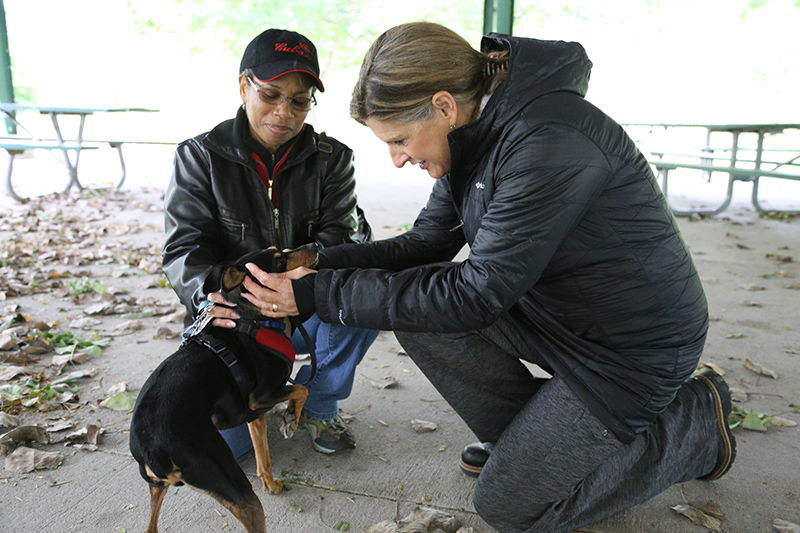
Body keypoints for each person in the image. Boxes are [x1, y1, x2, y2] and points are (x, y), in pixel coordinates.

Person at [248, 22, 738, 532]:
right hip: (554, 313)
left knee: (508, 507)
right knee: (419, 313)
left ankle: (695, 426)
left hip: (630, 350)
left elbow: (476, 296)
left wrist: (317, 295)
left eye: (399, 139)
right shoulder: (471, 133)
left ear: (442, 106)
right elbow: (426, 246)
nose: (397, 159)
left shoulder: (549, 141)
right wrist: (321, 263)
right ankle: (527, 446)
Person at [161, 28, 379, 457]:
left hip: (306, 306)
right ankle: (267, 390)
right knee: (226, 450)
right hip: (236, 319)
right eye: (271, 94)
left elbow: (347, 234)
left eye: (299, 100)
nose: (284, 112)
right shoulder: (199, 156)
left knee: (368, 294)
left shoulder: (334, 158)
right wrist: (210, 294)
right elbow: (183, 249)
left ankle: (318, 401)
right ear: (244, 87)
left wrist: (302, 277)